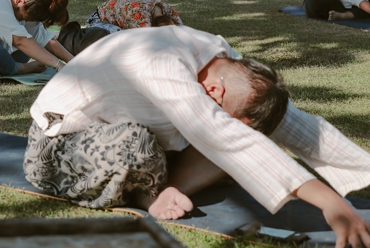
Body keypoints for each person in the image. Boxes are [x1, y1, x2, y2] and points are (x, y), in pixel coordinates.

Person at [24, 25, 370, 248]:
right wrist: (330, 202)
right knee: (138, 142)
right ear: (214, 91)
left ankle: (169, 185)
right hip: (57, 148)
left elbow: (289, 120)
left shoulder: (223, 60)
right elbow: (225, 135)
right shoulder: (161, 66)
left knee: (246, 125)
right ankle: (150, 195)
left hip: (141, 138)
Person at [85, 0, 181, 34]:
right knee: (123, 42)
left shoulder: (169, 12)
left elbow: (183, 32)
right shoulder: (140, 17)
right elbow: (148, 43)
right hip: (98, 21)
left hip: (117, 17)